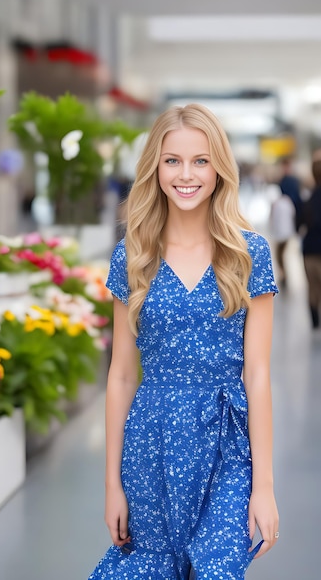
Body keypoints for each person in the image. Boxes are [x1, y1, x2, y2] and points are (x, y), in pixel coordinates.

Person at [88, 104, 279, 580]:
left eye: (201, 160)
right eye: (172, 160)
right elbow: (122, 375)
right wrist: (112, 484)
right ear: (155, 167)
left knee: (216, 571)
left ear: (220, 168)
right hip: (151, 442)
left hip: (227, 445)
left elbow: (256, 375)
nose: (186, 174)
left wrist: (265, 486)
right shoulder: (132, 256)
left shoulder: (248, 252)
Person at [301, 151, 321, 329]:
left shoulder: (308, 197)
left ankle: (315, 320)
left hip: (309, 248)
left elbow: (299, 222)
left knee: (312, 286)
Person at [269, 184, 296, 289]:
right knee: (282, 256)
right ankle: (284, 273)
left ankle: (283, 274)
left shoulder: (276, 204)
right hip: (287, 233)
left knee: (279, 256)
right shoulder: (287, 202)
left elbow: (274, 220)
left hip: (280, 235)